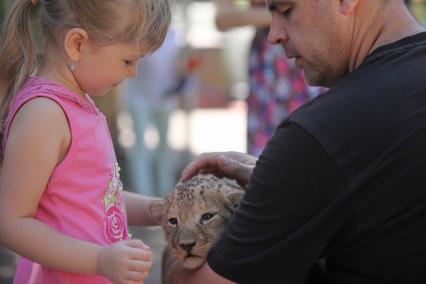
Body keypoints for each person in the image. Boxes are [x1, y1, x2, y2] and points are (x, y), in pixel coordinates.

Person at [163, 0, 426, 283]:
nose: (274, 34)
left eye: (287, 10)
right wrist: (279, 184)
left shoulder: (320, 135)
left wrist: (176, 238)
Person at [0, 0, 170, 283]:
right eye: (128, 60)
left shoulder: (79, 102)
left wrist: (159, 209)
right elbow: (10, 223)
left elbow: (98, 197)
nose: (133, 73)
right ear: (77, 44)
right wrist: (100, 260)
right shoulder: (44, 114)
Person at [215, 0, 322, 156]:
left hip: (308, 56)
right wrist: (288, 10)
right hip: (267, 69)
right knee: (268, 150)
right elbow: (222, 17)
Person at [122, 27, 181, 197]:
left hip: (165, 98)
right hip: (139, 98)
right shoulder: (138, 32)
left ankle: (165, 192)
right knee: (140, 147)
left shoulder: (172, 34)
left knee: (164, 145)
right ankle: (144, 194)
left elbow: (176, 66)